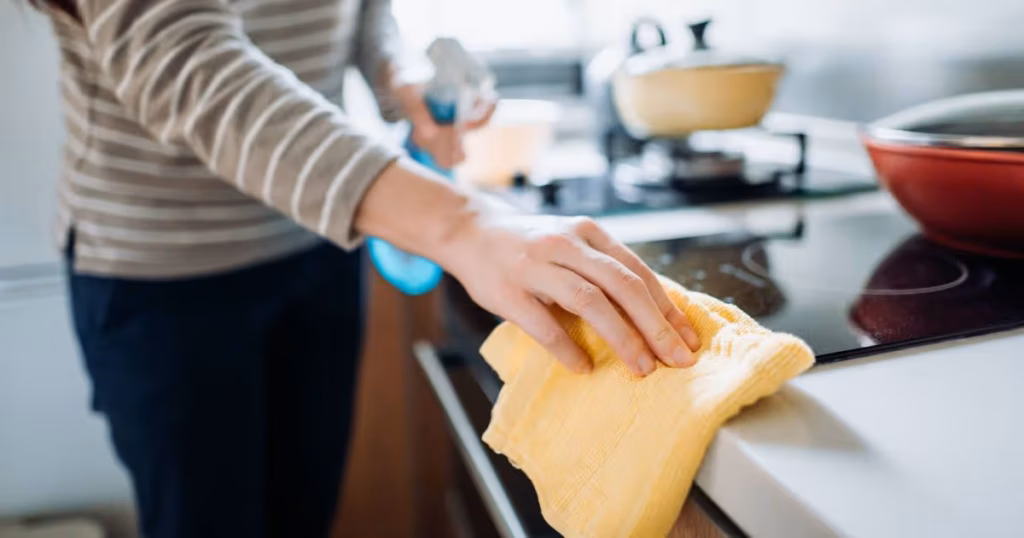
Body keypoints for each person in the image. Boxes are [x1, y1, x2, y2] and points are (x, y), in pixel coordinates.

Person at [28, 0, 702, 536]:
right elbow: (182, 58)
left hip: (314, 245)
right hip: (165, 275)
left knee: (304, 513)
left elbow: (362, 11)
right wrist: (462, 223)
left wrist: (398, 79)